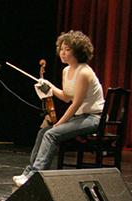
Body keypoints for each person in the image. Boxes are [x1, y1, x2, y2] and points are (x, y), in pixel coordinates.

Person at [13, 30, 105, 186]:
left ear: (78, 51)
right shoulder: (66, 70)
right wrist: (48, 86)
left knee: (52, 133)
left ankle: (35, 175)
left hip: (93, 118)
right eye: (61, 49)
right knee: (43, 131)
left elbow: (75, 103)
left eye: (67, 49)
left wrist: (59, 123)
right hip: (81, 117)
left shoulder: (84, 72)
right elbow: (65, 96)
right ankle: (28, 172)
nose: (62, 53)